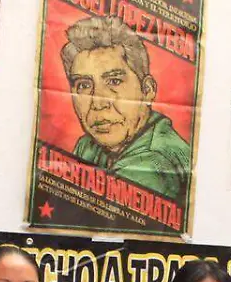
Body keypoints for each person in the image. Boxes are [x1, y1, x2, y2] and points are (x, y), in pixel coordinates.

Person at [60, 15, 191, 199]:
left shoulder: (152, 162)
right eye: (83, 85)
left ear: (147, 90)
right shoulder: (89, 145)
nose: (98, 103)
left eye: (114, 81)